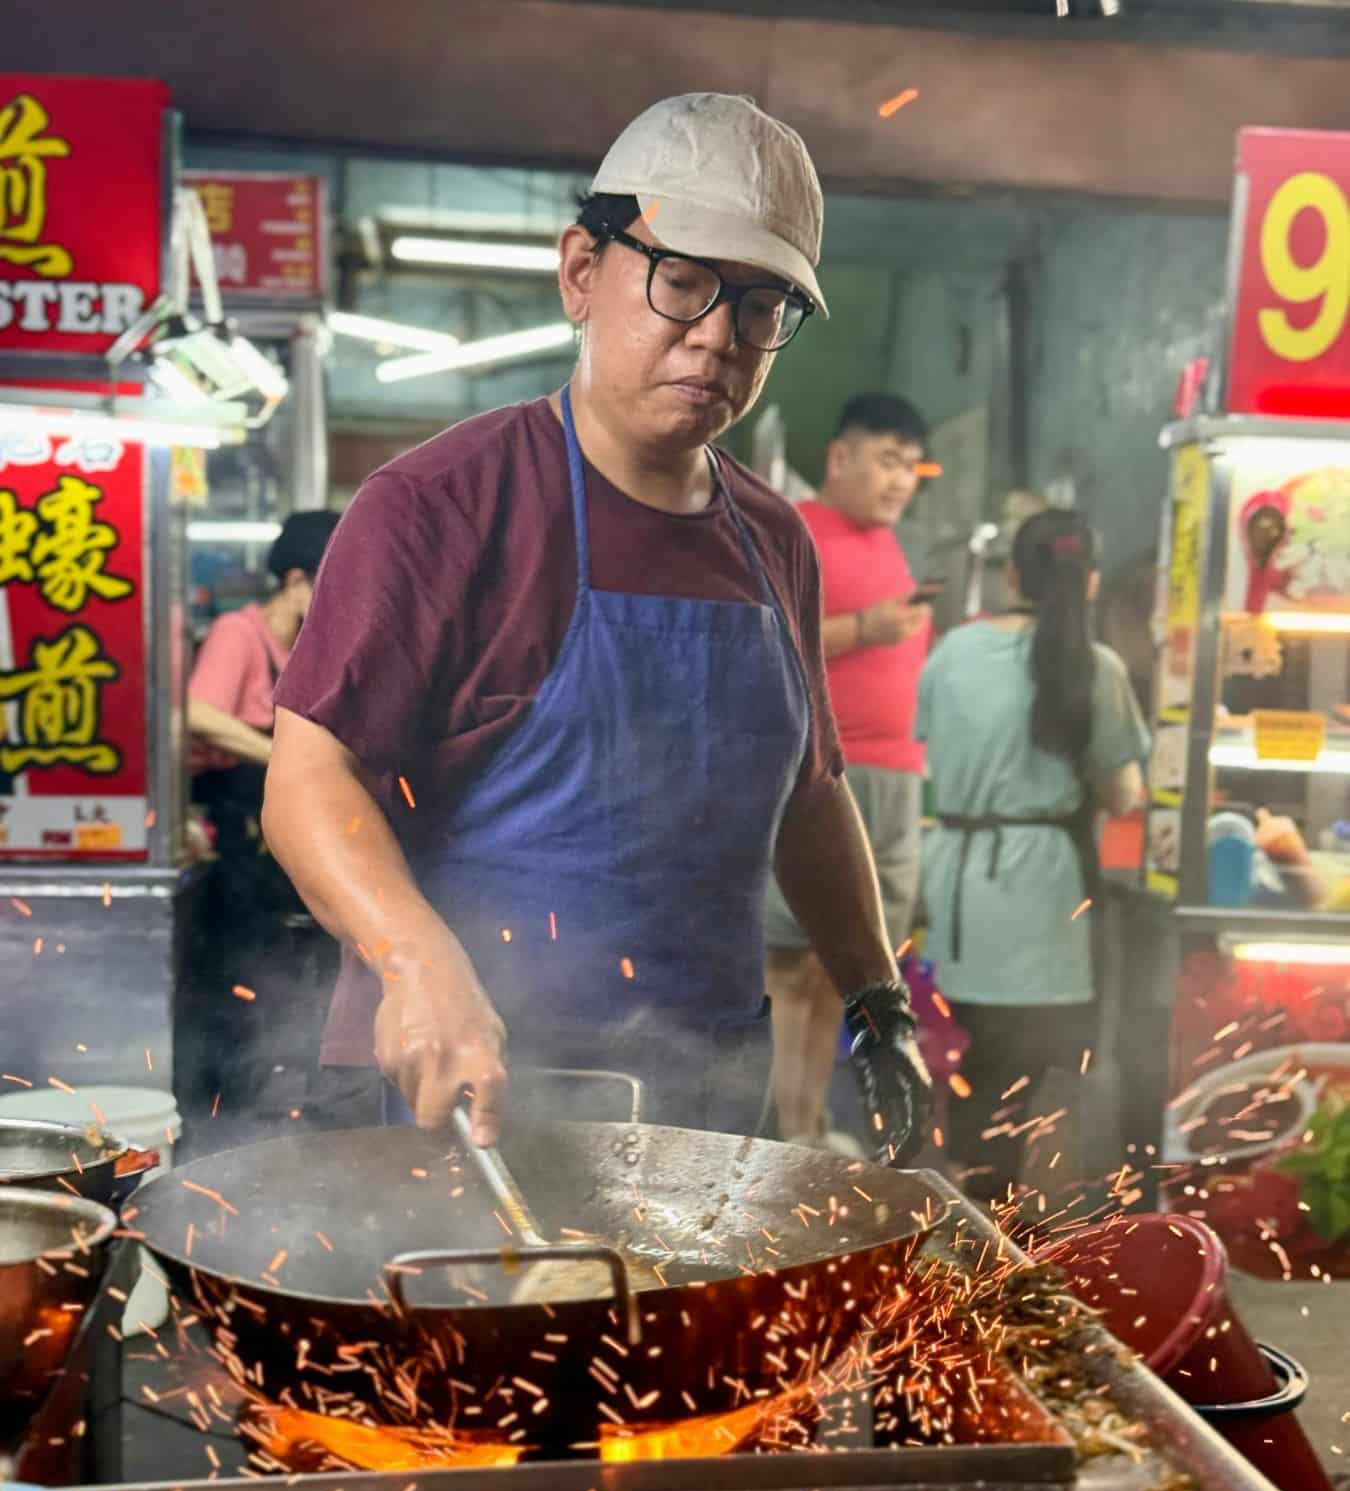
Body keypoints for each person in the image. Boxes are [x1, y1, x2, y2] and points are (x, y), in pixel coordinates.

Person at [262, 93, 930, 1158]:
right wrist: (412, 960)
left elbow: (811, 795)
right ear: (583, 270)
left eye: (761, 307)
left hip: (704, 1086)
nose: (717, 335)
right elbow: (307, 782)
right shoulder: (443, 505)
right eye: (683, 281)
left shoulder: (775, 540)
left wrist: (877, 997)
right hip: (468, 1094)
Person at [915, 508, 1148, 1202]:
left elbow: (930, 749)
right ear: (1092, 581)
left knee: (962, 1074)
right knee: (1050, 1085)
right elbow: (1123, 794)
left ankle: (953, 1241)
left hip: (959, 891)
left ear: (1011, 575)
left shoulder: (953, 651)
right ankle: (1033, 1247)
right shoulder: (1095, 668)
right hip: (1049, 899)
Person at [764, 393, 934, 1150]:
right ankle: (780, 1133)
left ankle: (814, 1128)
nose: (901, 481)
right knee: (789, 965)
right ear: (841, 458)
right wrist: (868, 628)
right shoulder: (799, 529)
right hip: (823, 775)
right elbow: (768, 641)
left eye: (911, 467)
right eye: (887, 461)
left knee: (851, 971)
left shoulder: (888, 544)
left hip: (897, 778)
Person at [183, 509, 340, 1125]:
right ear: (297, 581)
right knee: (239, 973)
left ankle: (273, 1097)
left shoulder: (303, 646)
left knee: (283, 970)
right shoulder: (238, 633)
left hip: (276, 840)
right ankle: (224, 1112)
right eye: (327, 586)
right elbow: (196, 714)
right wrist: (285, 756)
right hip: (233, 839)